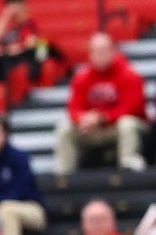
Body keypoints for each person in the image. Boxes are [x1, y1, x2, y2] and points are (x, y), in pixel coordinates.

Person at [57, 33, 149, 174]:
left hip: (116, 127)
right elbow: (73, 107)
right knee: (65, 128)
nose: (99, 55)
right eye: (95, 51)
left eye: (103, 51)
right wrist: (82, 118)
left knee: (127, 125)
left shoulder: (129, 74)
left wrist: (103, 117)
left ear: (113, 51)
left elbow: (133, 107)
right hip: (92, 129)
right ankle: (64, 178)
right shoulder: (81, 77)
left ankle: (127, 174)